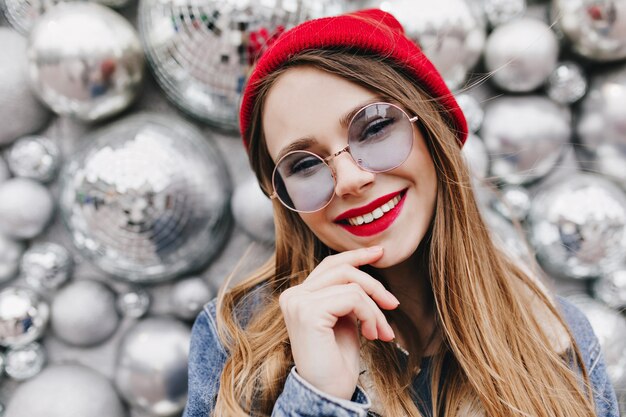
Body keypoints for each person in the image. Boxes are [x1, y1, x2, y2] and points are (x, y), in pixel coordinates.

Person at [183, 8, 619, 417]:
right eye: (303, 164)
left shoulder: (557, 337)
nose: (350, 179)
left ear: (433, 128)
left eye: (373, 129)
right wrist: (316, 398)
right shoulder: (236, 340)